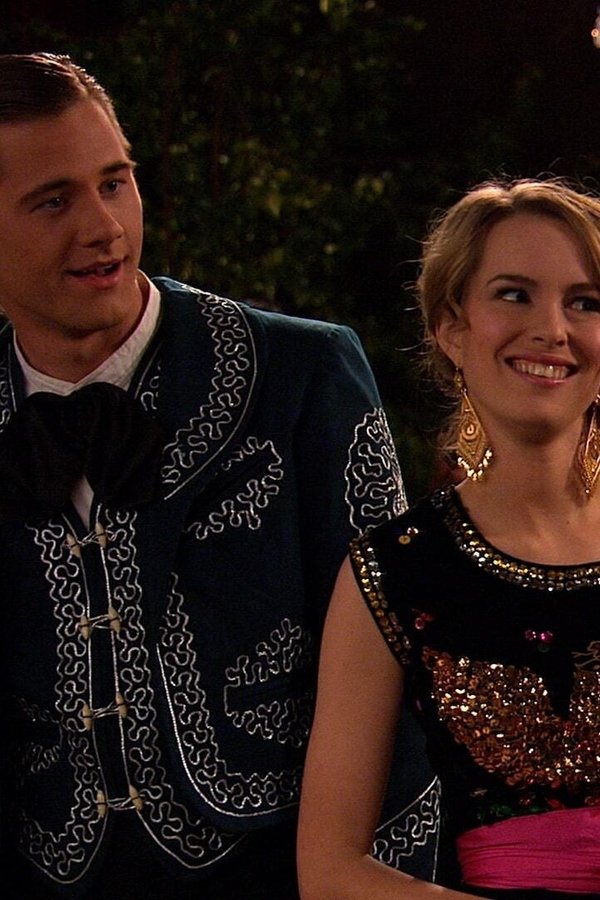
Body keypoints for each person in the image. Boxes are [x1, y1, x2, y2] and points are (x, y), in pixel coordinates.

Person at [0, 52, 439, 899]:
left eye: (115, 182)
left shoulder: (303, 375)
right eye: (54, 201)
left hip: (274, 878)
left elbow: (396, 676)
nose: (104, 227)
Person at [297, 176, 600, 899]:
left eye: (585, 302)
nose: (552, 329)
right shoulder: (395, 570)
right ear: (450, 327)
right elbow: (329, 870)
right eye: (514, 294)